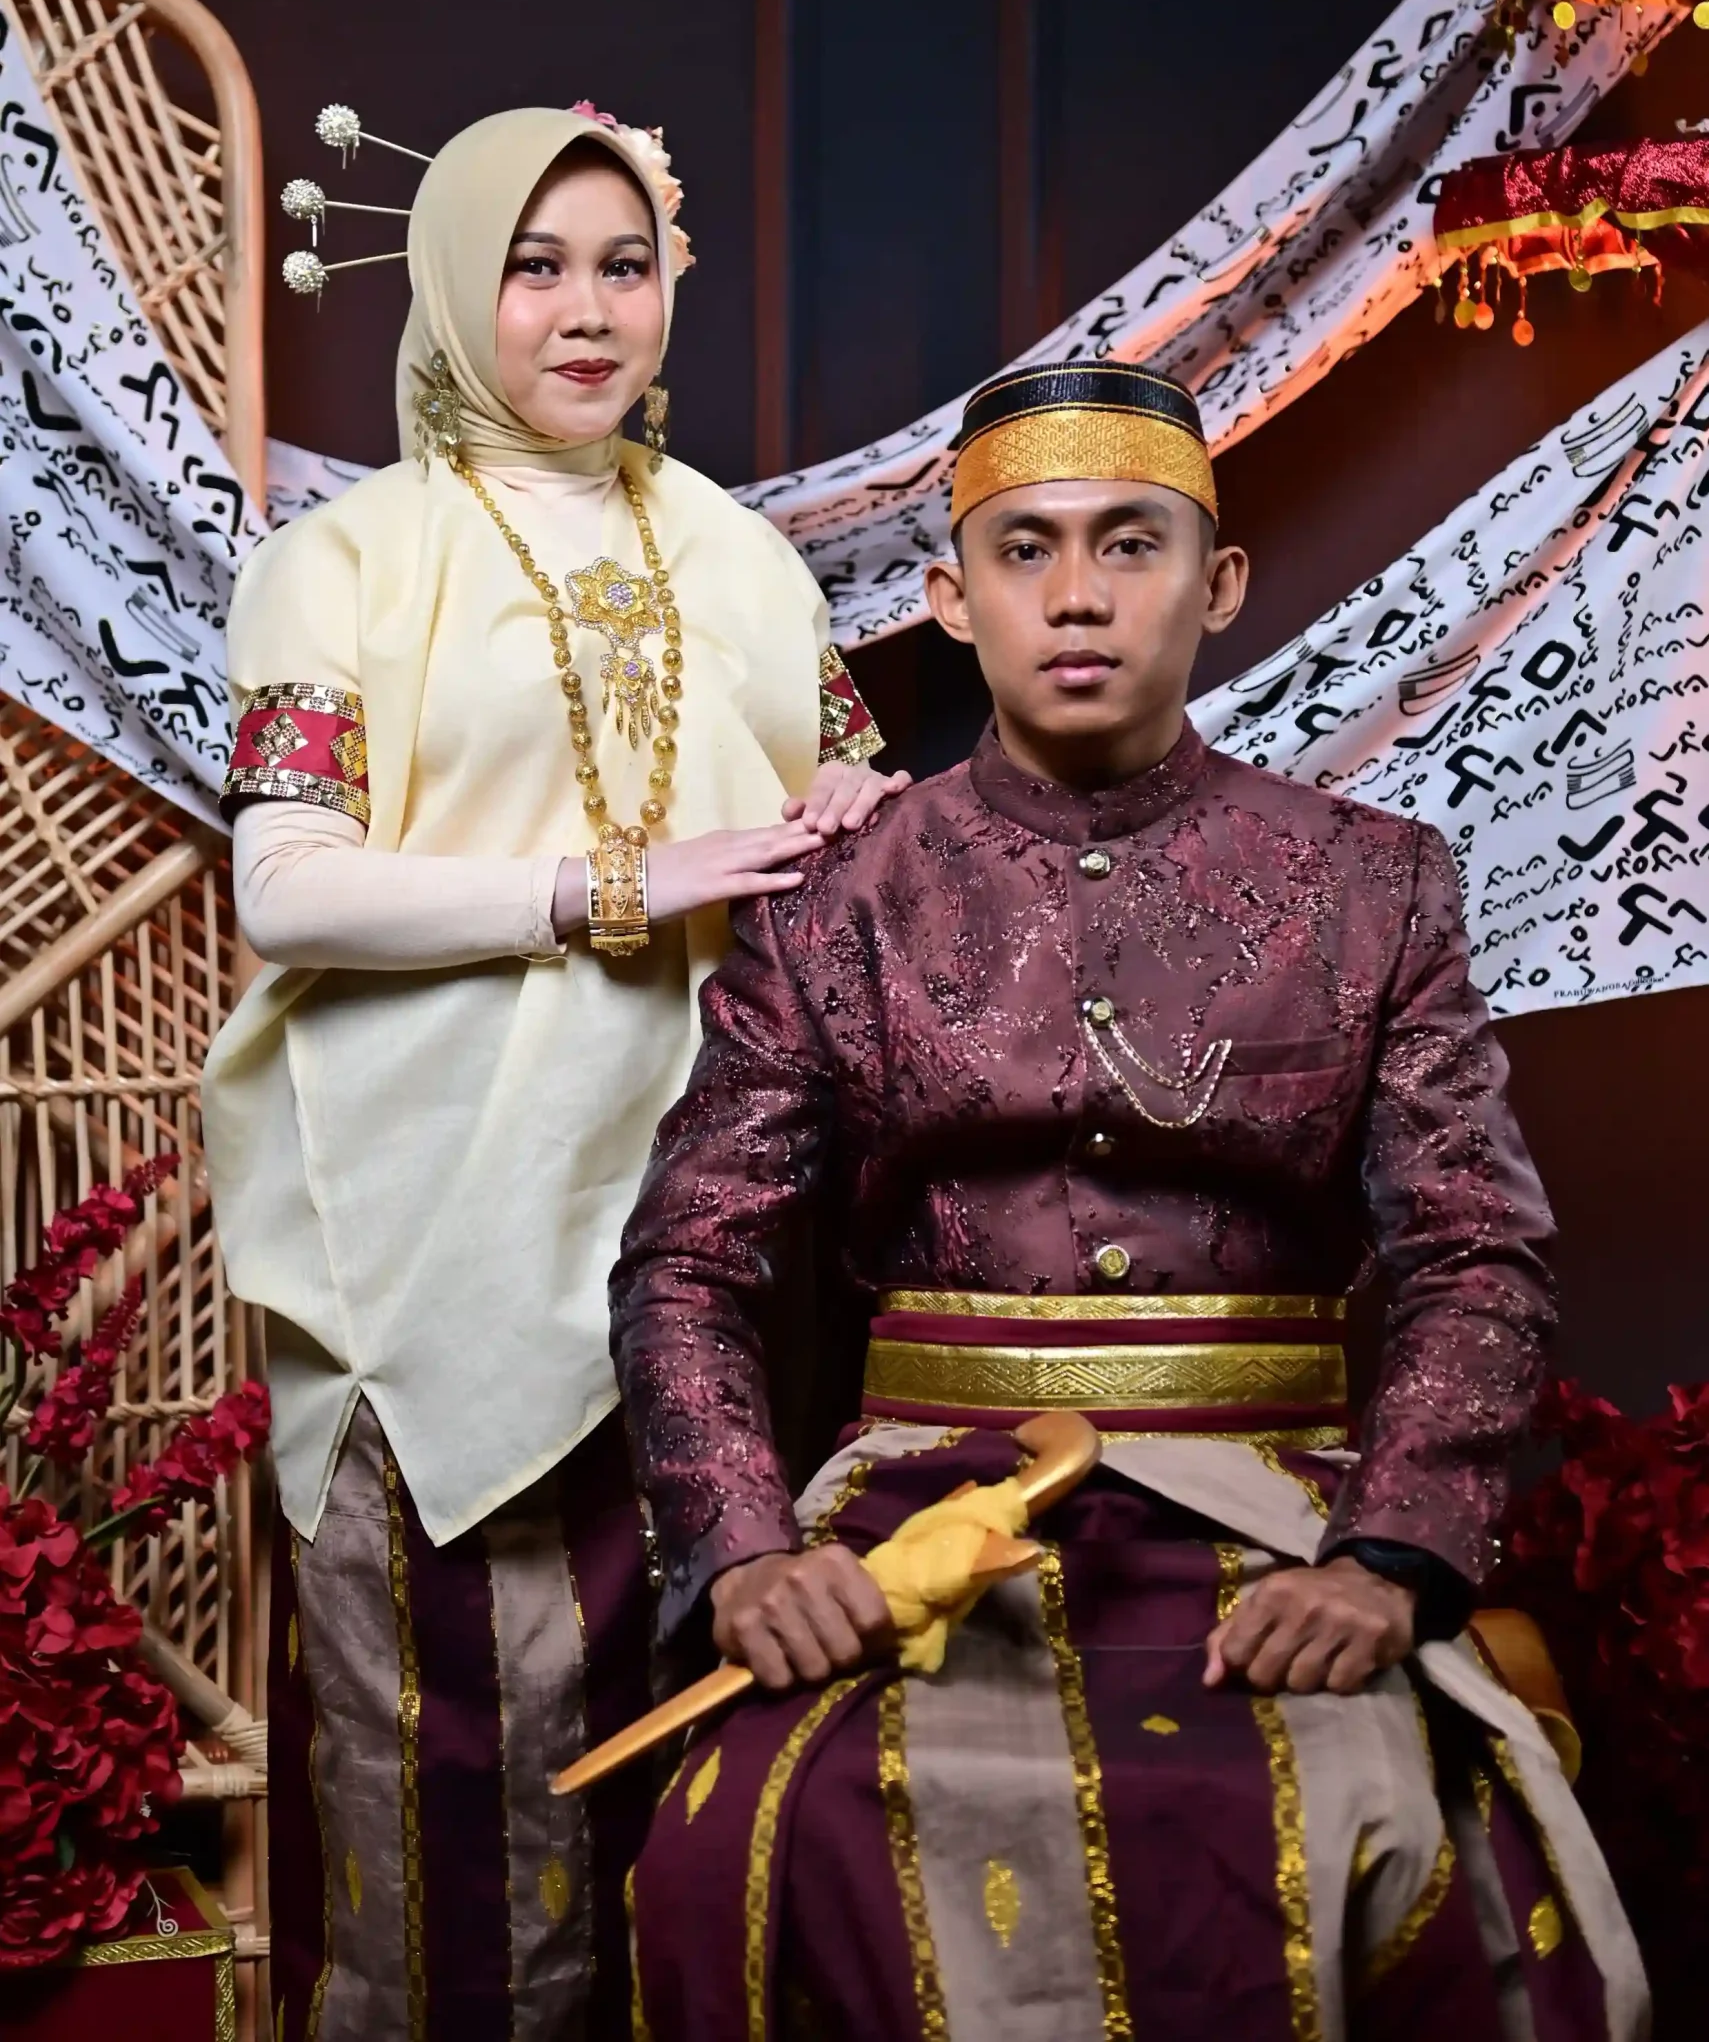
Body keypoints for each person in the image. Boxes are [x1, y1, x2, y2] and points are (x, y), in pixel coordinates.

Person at [610, 361, 1647, 2042]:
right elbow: (686, 1261)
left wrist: (1393, 1555)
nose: (1077, 595)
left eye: (1130, 544)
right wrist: (741, 1554)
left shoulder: (1370, 880)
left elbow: (1477, 1247)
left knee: (1393, 1812)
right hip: (915, 1515)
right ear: (952, 598)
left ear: (1218, 583)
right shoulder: (840, 900)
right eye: (1023, 550)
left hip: (1281, 1507)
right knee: (752, 1834)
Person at [200, 104, 906, 2042]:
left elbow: (838, 812)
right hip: (442, 1222)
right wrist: (619, 883)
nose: (586, 310)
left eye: (623, 264)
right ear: (450, 283)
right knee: (457, 1760)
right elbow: (285, 887)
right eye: (533, 266)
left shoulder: (746, 562)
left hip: (708, 1222)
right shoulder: (344, 559)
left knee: (706, 1737)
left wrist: (866, 810)